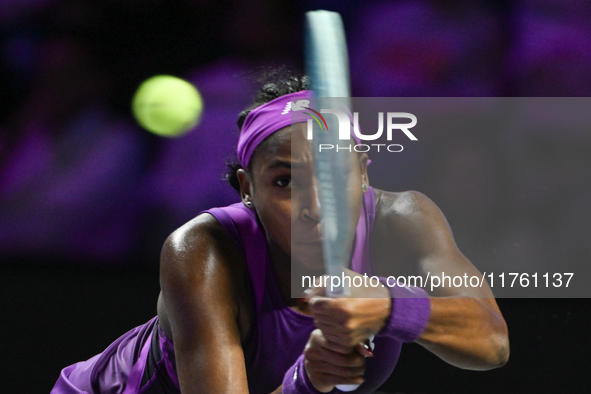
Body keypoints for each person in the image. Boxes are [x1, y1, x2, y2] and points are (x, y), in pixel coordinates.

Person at [51, 75, 509, 394]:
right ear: (247, 189)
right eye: (285, 182)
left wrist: (390, 306)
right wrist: (307, 380)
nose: (314, 209)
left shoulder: (404, 219)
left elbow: (491, 342)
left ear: (363, 175)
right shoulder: (200, 250)